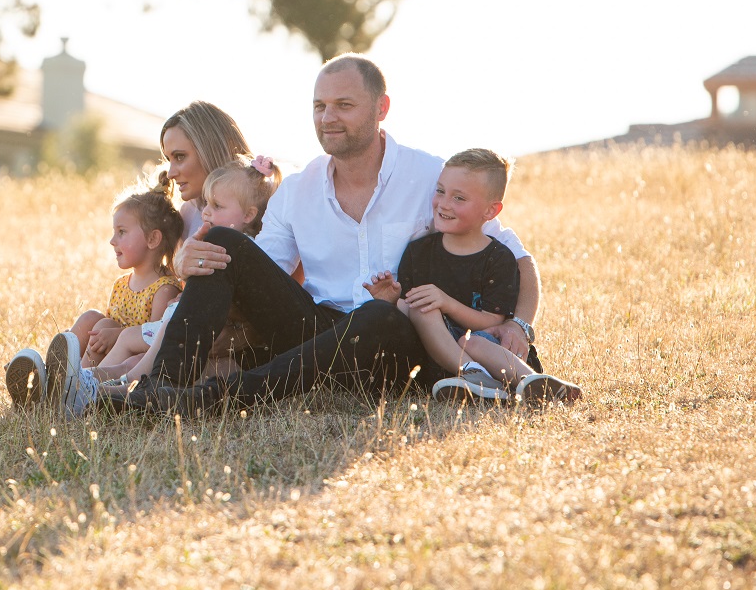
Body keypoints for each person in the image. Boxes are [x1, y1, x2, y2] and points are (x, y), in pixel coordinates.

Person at [91, 54, 548, 417]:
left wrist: (519, 325)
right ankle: (158, 389)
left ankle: (218, 398)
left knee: (377, 315)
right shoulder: (297, 190)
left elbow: (515, 255)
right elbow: (256, 273)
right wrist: (191, 262)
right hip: (313, 331)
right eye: (319, 106)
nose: (328, 117)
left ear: (381, 108)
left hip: (395, 344)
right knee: (226, 245)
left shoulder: (430, 176)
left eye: (344, 105)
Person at [3, 101, 250, 407]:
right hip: (174, 333)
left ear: (209, 149)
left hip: (206, 341)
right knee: (100, 325)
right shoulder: (187, 214)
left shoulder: (246, 211)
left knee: (132, 352)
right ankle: (55, 380)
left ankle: (76, 387)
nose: (171, 171)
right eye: (168, 159)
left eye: (180, 157)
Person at [46, 155, 280, 415]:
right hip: (182, 327)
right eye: (206, 204)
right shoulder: (209, 241)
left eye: (217, 206)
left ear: (248, 214)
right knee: (117, 333)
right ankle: (79, 380)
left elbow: (233, 301)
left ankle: (95, 386)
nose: (206, 212)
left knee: (135, 359)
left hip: (196, 336)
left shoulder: (248, 254)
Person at [366, 148, 581, 403]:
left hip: (489, 348)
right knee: (423, 308)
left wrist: (447, 303)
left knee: (473, 343)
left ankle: (533, 382)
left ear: (490, 211)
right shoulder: (418, 252)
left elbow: (492, 321)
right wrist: (390, 302)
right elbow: (409, 309)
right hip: (438, 352)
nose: (444, 203)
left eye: (459, 198)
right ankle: (474, 376)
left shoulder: (499, 258)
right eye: (440, 191)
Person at [4, 182, 182, 406]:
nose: (112, 241)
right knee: (92, 318)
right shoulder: (122, 284)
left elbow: (152, 342)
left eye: (122, 232)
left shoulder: (164, 289)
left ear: (152, 239)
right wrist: (109, 333)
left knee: (103, 326)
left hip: (130, 367)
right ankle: (55, 374)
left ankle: (71, 387)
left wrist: (115, 334)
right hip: (110, 354)